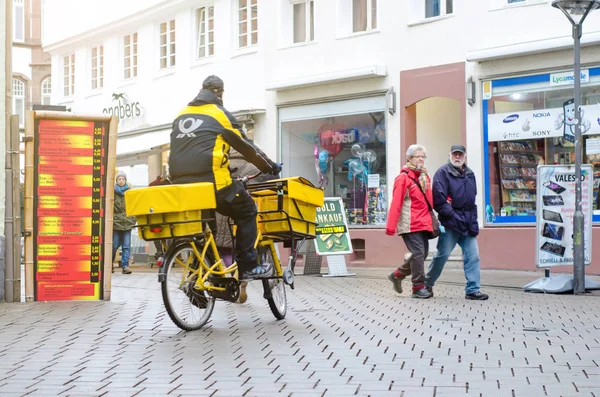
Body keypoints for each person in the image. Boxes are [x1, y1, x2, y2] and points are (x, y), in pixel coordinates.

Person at [168, 75, 281, 281]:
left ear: (201, 89)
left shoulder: (181, 114)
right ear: (220, 93)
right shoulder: (220, 114)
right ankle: (248, 265)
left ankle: (201, 276)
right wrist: (270, 167)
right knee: (247, 210)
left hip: (181, 186)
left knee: (205, 229)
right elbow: (247, 148)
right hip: (213, 184)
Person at [424, 145, 489, 301]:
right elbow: (439, 201)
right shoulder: (442, 173)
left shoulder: (470, 174)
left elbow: (472, 200)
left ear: (465, 156)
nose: (457, 157)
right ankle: (427, 283)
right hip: (450, 223)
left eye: (460, 154)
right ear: (450, 155)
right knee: (442, 255)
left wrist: (472, 221)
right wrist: (453, 216)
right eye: (455, 154)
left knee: (473, 256)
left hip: (467, 223)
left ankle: (473, 290)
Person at [385, 144, 434, 299]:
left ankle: (397, 275)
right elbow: (396, 202)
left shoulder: (424, 176)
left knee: (422, 253)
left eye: (422, 156)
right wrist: (391, 226)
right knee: (418, 253)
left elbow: (430, 200)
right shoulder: (403, 178)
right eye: (417, 156)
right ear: (409, 158)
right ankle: (417, 287)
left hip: (424, 222)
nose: (420, 159)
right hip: (409, 223)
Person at [113, 170, 137, 274]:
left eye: (123, 179)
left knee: (126, 245)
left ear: (125, 180)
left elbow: (134, 206)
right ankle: (109, 265)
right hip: (116, 223)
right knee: (114, 245)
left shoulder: (130, 192)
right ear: (116, 180)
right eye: (119, 179)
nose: (121, 181)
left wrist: (132, 219)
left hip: (127, 223)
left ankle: (125, 266)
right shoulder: (112, 192)